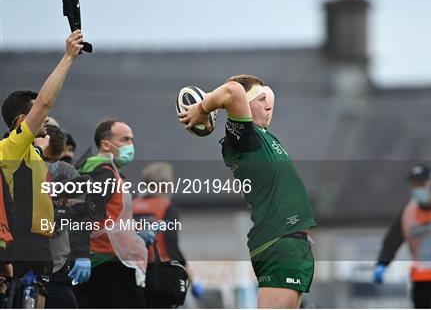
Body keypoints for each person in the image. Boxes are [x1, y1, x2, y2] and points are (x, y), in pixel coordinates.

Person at [179, 75, 316, 309]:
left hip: (291, 243)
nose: (268, 104)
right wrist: (202, 108)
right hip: (278, 242)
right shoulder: (243, 138)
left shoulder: (262, 136)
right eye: (260, 99)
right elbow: (233, 91)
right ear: (245, 105)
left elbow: (251, 92)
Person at [0, 30, 85, 307]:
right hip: (18, 245)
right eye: (40, 118)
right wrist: (69, 56)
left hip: (39, 248)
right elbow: (46, 101)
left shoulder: (32, 154)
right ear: (23, 120)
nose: (46, 120)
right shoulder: (9, 149)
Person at [75, 119, 148, 308]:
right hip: (107, 263)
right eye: (125, 140)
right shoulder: (103, 172)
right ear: (106, 144)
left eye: (131, 140)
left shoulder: (100, 170)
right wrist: (82, 254)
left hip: (101, 262)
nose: (130, 145)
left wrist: (136, 231)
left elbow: (111, 216)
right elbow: (85, 214)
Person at [373, 165, 431, 308]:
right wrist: (382, 264)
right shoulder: (407, 213)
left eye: (421, 184)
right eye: (414, 184)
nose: (418, 188)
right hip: (420, 278)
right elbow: (392, 241)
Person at [133, 161, 202, 308]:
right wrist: (194, 280)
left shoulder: (131, 205)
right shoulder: (167, 207)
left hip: (132, 273)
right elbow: (171, 246)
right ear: (166, 185)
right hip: (161, 275)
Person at [41, 124, 90, 308]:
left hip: (57, 264)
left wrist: (82, 254)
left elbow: (81, 215)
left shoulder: (67, 171)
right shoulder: (24, 170)